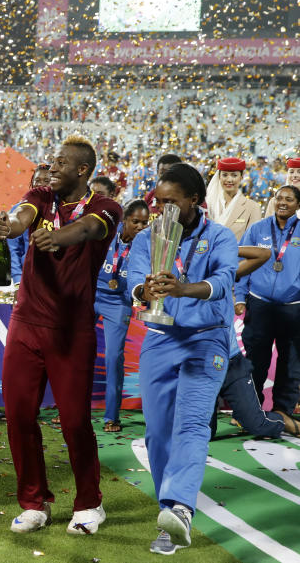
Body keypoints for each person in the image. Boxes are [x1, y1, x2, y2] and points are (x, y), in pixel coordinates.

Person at [0, 135, 121, 535]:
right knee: (19, 416)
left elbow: (86, 231)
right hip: (26, 323)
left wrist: (56, 237)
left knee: (75, 420)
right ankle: (33, 501)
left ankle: (89, 504)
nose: (51, 167)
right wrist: (7, 228)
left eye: (60, 163)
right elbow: (22, 217)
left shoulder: (106, 206)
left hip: (71, 330)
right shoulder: (40, 196)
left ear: (82, 170)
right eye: (51, 161)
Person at [127, 163, 238, 555]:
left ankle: (181, 508)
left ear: (194, 200)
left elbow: (225, 281)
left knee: (191, 425)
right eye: (158, 202)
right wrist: (146, 289)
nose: (162, 210)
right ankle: (168, 512)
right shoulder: (148, 237)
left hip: (206, 340)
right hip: (159, 338)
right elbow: (134, 279)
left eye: (171, 202)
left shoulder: (220, 236)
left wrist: (183, 289)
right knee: (157, 432)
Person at [211, 245, 300, 440]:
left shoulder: (224, 274)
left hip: (230, 364)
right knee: (204, 431)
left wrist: (220, 244)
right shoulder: (183, 286)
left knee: (259, 425)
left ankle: (282, 419)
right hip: (202, 367)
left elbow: (263, 254)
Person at [234, 185, 300, 420]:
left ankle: (283, 412)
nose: (283, 202)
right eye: (279, 198)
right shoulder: (258, 229)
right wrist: (240, 297)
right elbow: (241, 267)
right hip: (259, 305)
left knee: (290, 364)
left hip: (293, 308)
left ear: (298, 205)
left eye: (289, 199)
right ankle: (250, 410)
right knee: (254, 362)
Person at [95, 199, 150, 433]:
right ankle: (65, 408)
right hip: (91, 294)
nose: (139, 227)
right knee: (76, 353)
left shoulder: (146, 244)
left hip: (118, 302)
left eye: (144, 223)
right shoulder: (106, 233)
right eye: (135, 221)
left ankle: (111, 416)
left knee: (114, 358)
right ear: (124, 220)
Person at [7, 164, 51, 285]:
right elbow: (13, 249)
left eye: (47, 181)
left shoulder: (62, 209)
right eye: (37, 180)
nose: (41, 184)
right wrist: (17, 281)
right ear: (32, 183)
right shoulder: (19, 209)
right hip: (28, 278)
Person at [206, 157, 261, 242]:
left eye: (234, 175)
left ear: (241, 177)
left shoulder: (253, 208)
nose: (229, 180)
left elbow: (253, 243)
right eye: (224, 175)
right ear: (219, 177)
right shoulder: (209, 204)